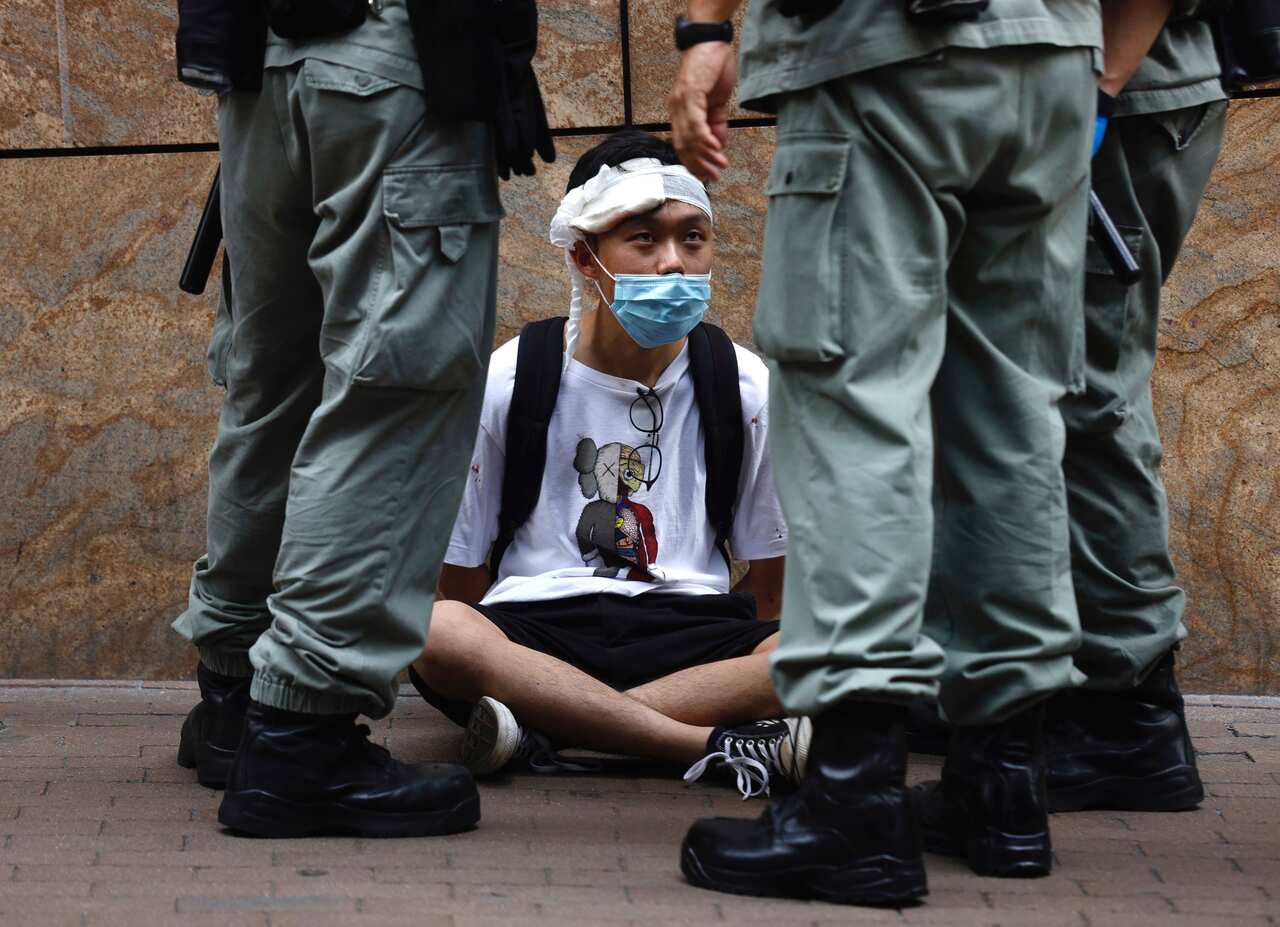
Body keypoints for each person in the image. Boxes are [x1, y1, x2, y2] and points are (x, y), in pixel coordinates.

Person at [668, 0, 1107, 906]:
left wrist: (705, 30)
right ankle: (1003, 782)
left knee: (852, 409)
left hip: (885, 51)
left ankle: (855, 799)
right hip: (1053, 56)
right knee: (1010, 418)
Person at [172, 1, 508, 838]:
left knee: (272, 385)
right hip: (390, 50)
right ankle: (301, 730)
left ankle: (235, 697)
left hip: (258, 62)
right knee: (391, 390)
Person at [406, 129, 806, 799]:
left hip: (690, 632)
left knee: (813, 654)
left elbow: (771, 587)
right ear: (583, 255)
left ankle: (544, 733)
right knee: (433, 628)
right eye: (643, 239)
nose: (673, 263)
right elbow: (461, 575)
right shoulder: (512, 376)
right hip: (537, 632)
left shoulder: (742, 384)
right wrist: (512, 660)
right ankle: (704, 743)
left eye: (693, 238)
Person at [1048, 0, 1228, 813]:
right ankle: (1047, 684)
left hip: (1114, 100)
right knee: (1051, 399)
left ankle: (1128, 713)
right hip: (1099, 94)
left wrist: (1099, 90)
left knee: (1089, 397)